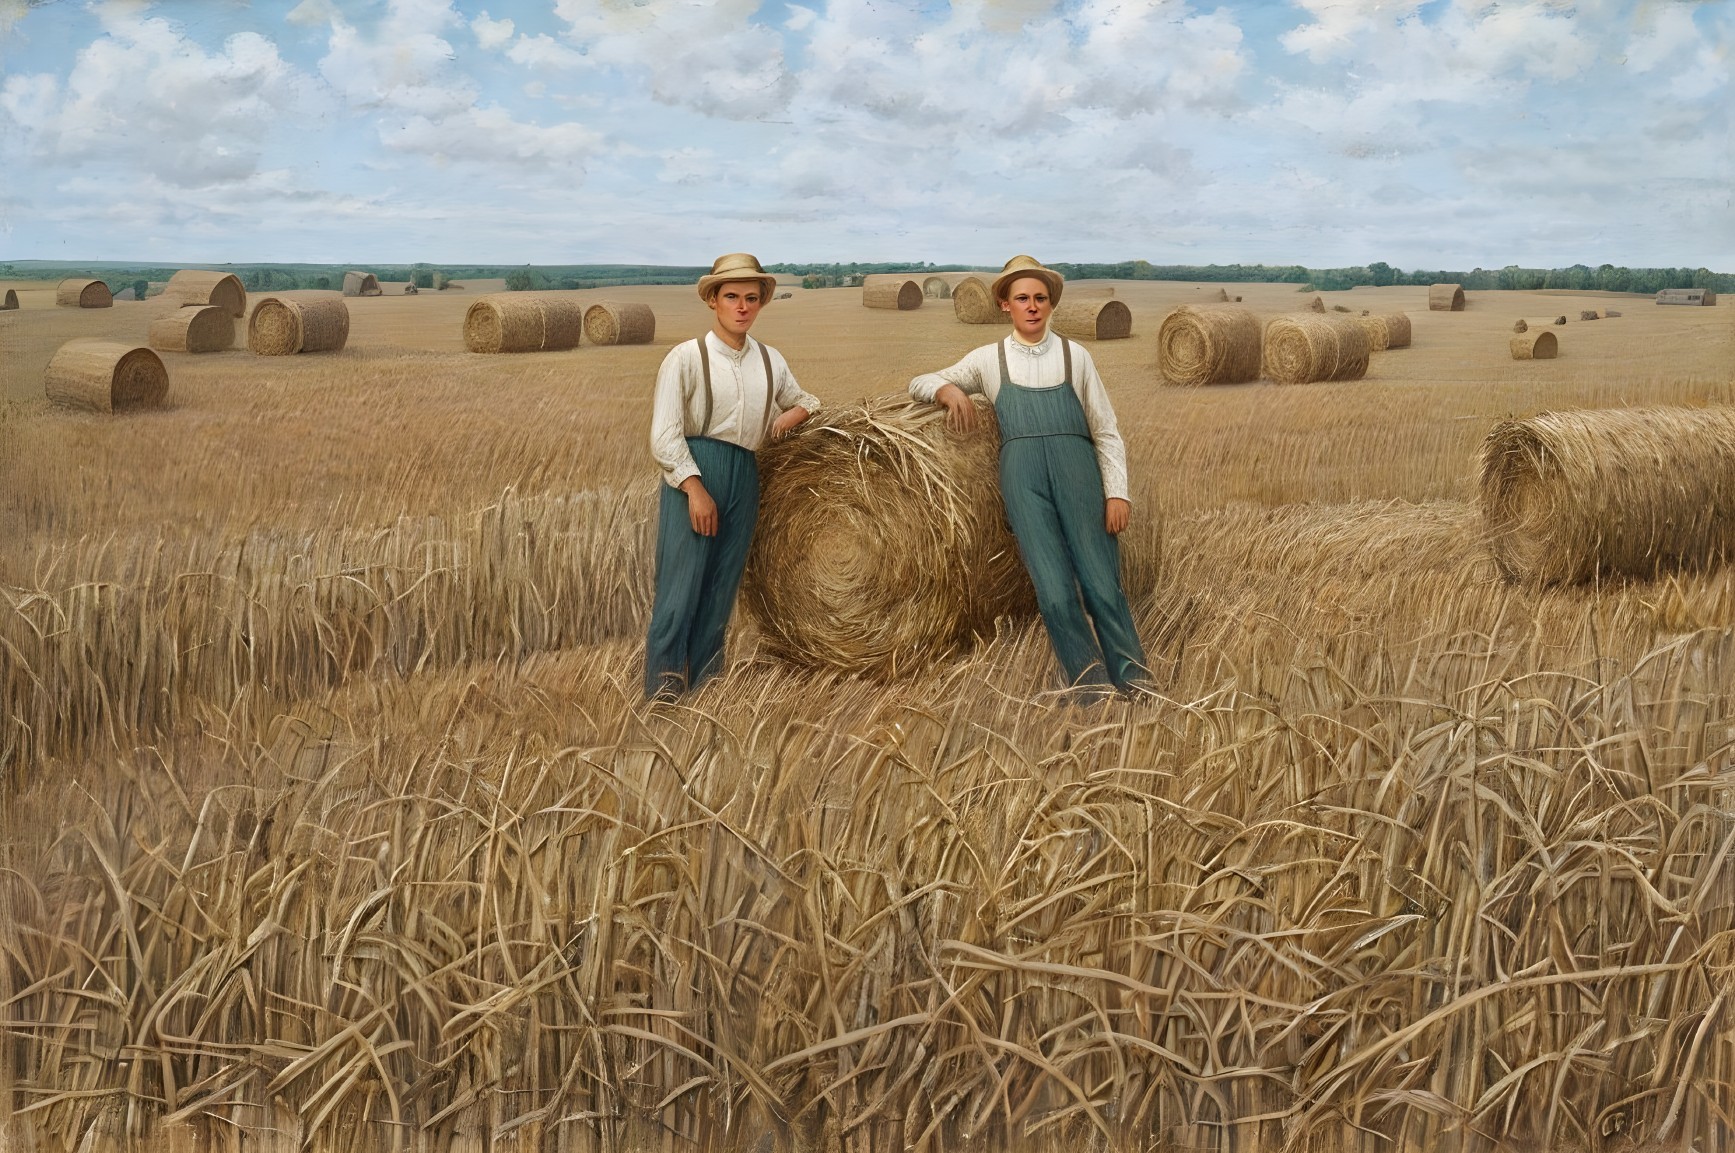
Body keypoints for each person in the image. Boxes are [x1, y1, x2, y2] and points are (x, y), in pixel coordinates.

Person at [909, 254, 1149, 700]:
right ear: (1004, 304)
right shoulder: (986, 360)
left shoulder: (1077, 357)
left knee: (1101, 584)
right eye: (1022, 298)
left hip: (1079, 474)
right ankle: (1091, 689)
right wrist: (946, 389)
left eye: (1040, 297)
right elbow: (919, 380)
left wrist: (1118, 493)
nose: (1033, 305)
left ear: (1051, 304)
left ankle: (1136, 679)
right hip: (1022, 480)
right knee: (1055, 593)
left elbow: (1106, 430)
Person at [644, 252, 821, 701]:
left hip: (746, 475)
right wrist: (694, 488)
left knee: (720, 596)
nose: (742, 307)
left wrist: (790, 416)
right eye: (731, 297)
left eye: (751, 298)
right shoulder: (685, 358)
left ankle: (705, 696)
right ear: (712, 301)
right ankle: (662, 702)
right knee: (678, 596)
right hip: (695, 473)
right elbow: (664, 436)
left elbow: (809, 400)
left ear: (760, 303)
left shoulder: (770, 360)